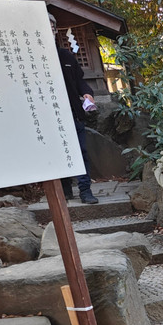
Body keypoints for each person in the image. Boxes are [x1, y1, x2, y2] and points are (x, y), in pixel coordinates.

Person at [49, 13, 99, 205]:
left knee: (81, 151)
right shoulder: (32, 58)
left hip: (73, 112)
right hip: (50, 117)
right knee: (59, 153)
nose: (50, 30)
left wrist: (87, 93)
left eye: (52, 27)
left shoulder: (66, 56)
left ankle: (85, 190)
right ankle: (65, 189)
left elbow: (79, 81)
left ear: (56, 30)